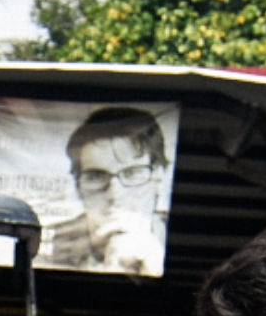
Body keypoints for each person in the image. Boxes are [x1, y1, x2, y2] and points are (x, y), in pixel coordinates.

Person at [42, 107, 170, 275]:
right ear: (78, 186)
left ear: (159, 177)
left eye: (132, 173)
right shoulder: (45, 244)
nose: (115, 194)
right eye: (96, 176)